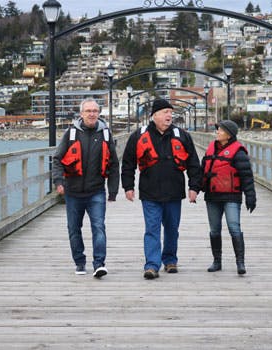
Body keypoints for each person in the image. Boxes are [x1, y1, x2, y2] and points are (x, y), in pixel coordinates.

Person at [121, 98, 202, 279]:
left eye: (171, 113)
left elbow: (194, 164)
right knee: (152, 228)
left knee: (172, 229)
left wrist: (194, 187)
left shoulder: (182, 135)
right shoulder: (138, 136)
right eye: (165, 112)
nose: (169, 115)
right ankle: (152, 265)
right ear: (154, 115)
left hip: (174, 191)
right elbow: (127, 163)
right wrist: (128, 186)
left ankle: (170, 260)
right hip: (150, 191)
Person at [52, 98, 119, 278]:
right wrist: (58, 181)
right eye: (88, 111)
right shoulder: (71, 134)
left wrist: (113, 190)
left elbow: (113, 163)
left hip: (96, 190)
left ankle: (99, 264)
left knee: (99, 227)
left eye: (95, 111)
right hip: (73, 192)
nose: (91, 114)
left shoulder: (105, 134)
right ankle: (80, 262)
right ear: (81, 114)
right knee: (74, 229)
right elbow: (57, 159)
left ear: (99, 113)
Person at [201, 120, 256, 275]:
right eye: (217, 130)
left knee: (234, 227)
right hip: (212, 196)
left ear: (228, 134)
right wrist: (195, 188)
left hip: (231, 196)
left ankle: (240, 262)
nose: (217, 132)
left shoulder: (238, 152)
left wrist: (250, 197)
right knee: (214, 230)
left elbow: (247, 177)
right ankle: (217, 261)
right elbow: (202, 169)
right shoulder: (211, 148)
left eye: (220, 130)